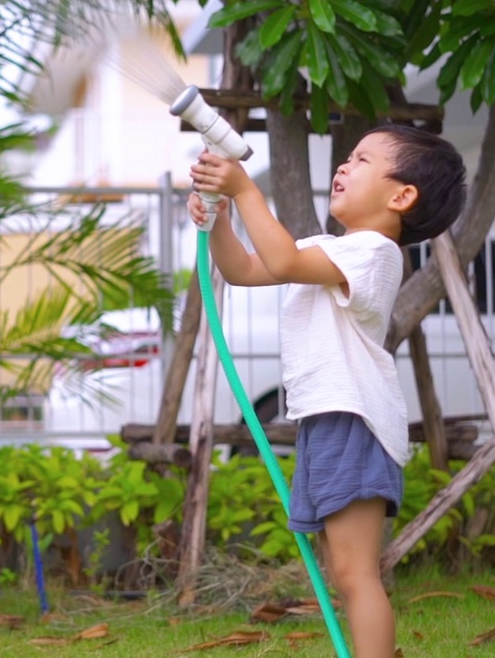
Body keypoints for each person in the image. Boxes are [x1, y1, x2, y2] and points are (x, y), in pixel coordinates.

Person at [187, 124, 467, 658]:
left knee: (355, 573)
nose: (343, 165)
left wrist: (245, 189)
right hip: (327, 418)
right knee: (346, 572)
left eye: (362, 160)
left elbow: (284, 261)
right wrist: (221, 219)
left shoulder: (376, 254)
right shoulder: (331, 249)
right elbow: (247, 269)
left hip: (354, 419)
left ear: (401, 195)